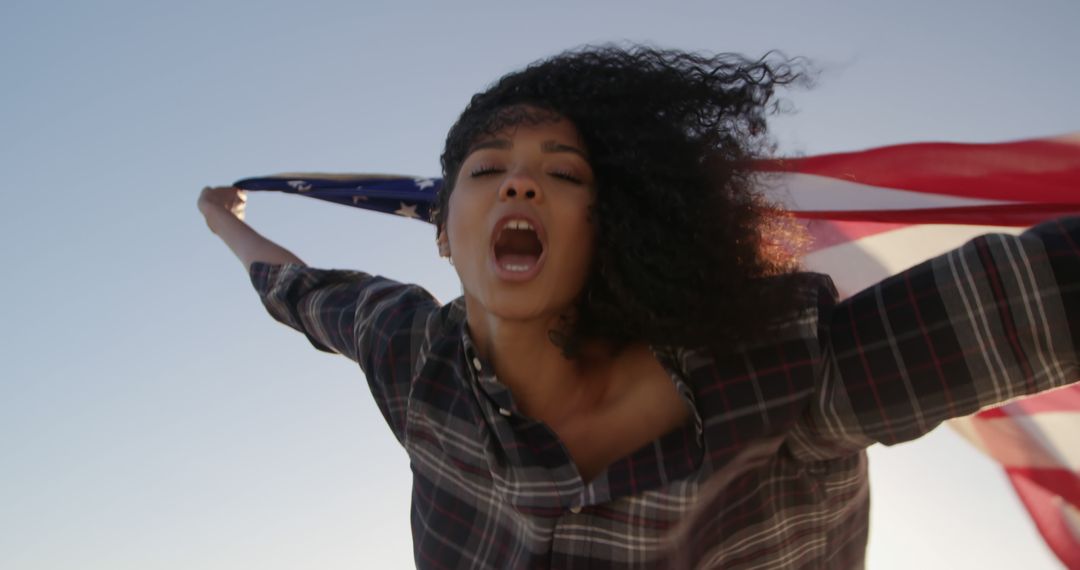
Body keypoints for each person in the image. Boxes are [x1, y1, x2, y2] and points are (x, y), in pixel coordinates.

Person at [198, 46, 1080, 569]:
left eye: (564, 172)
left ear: (611, 227)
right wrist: (221, 219)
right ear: (442, 232)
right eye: (487, 167)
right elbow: (298, 291)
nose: (520, 179)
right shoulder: (408, 349)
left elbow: (1028, 300)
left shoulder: (785, 377)